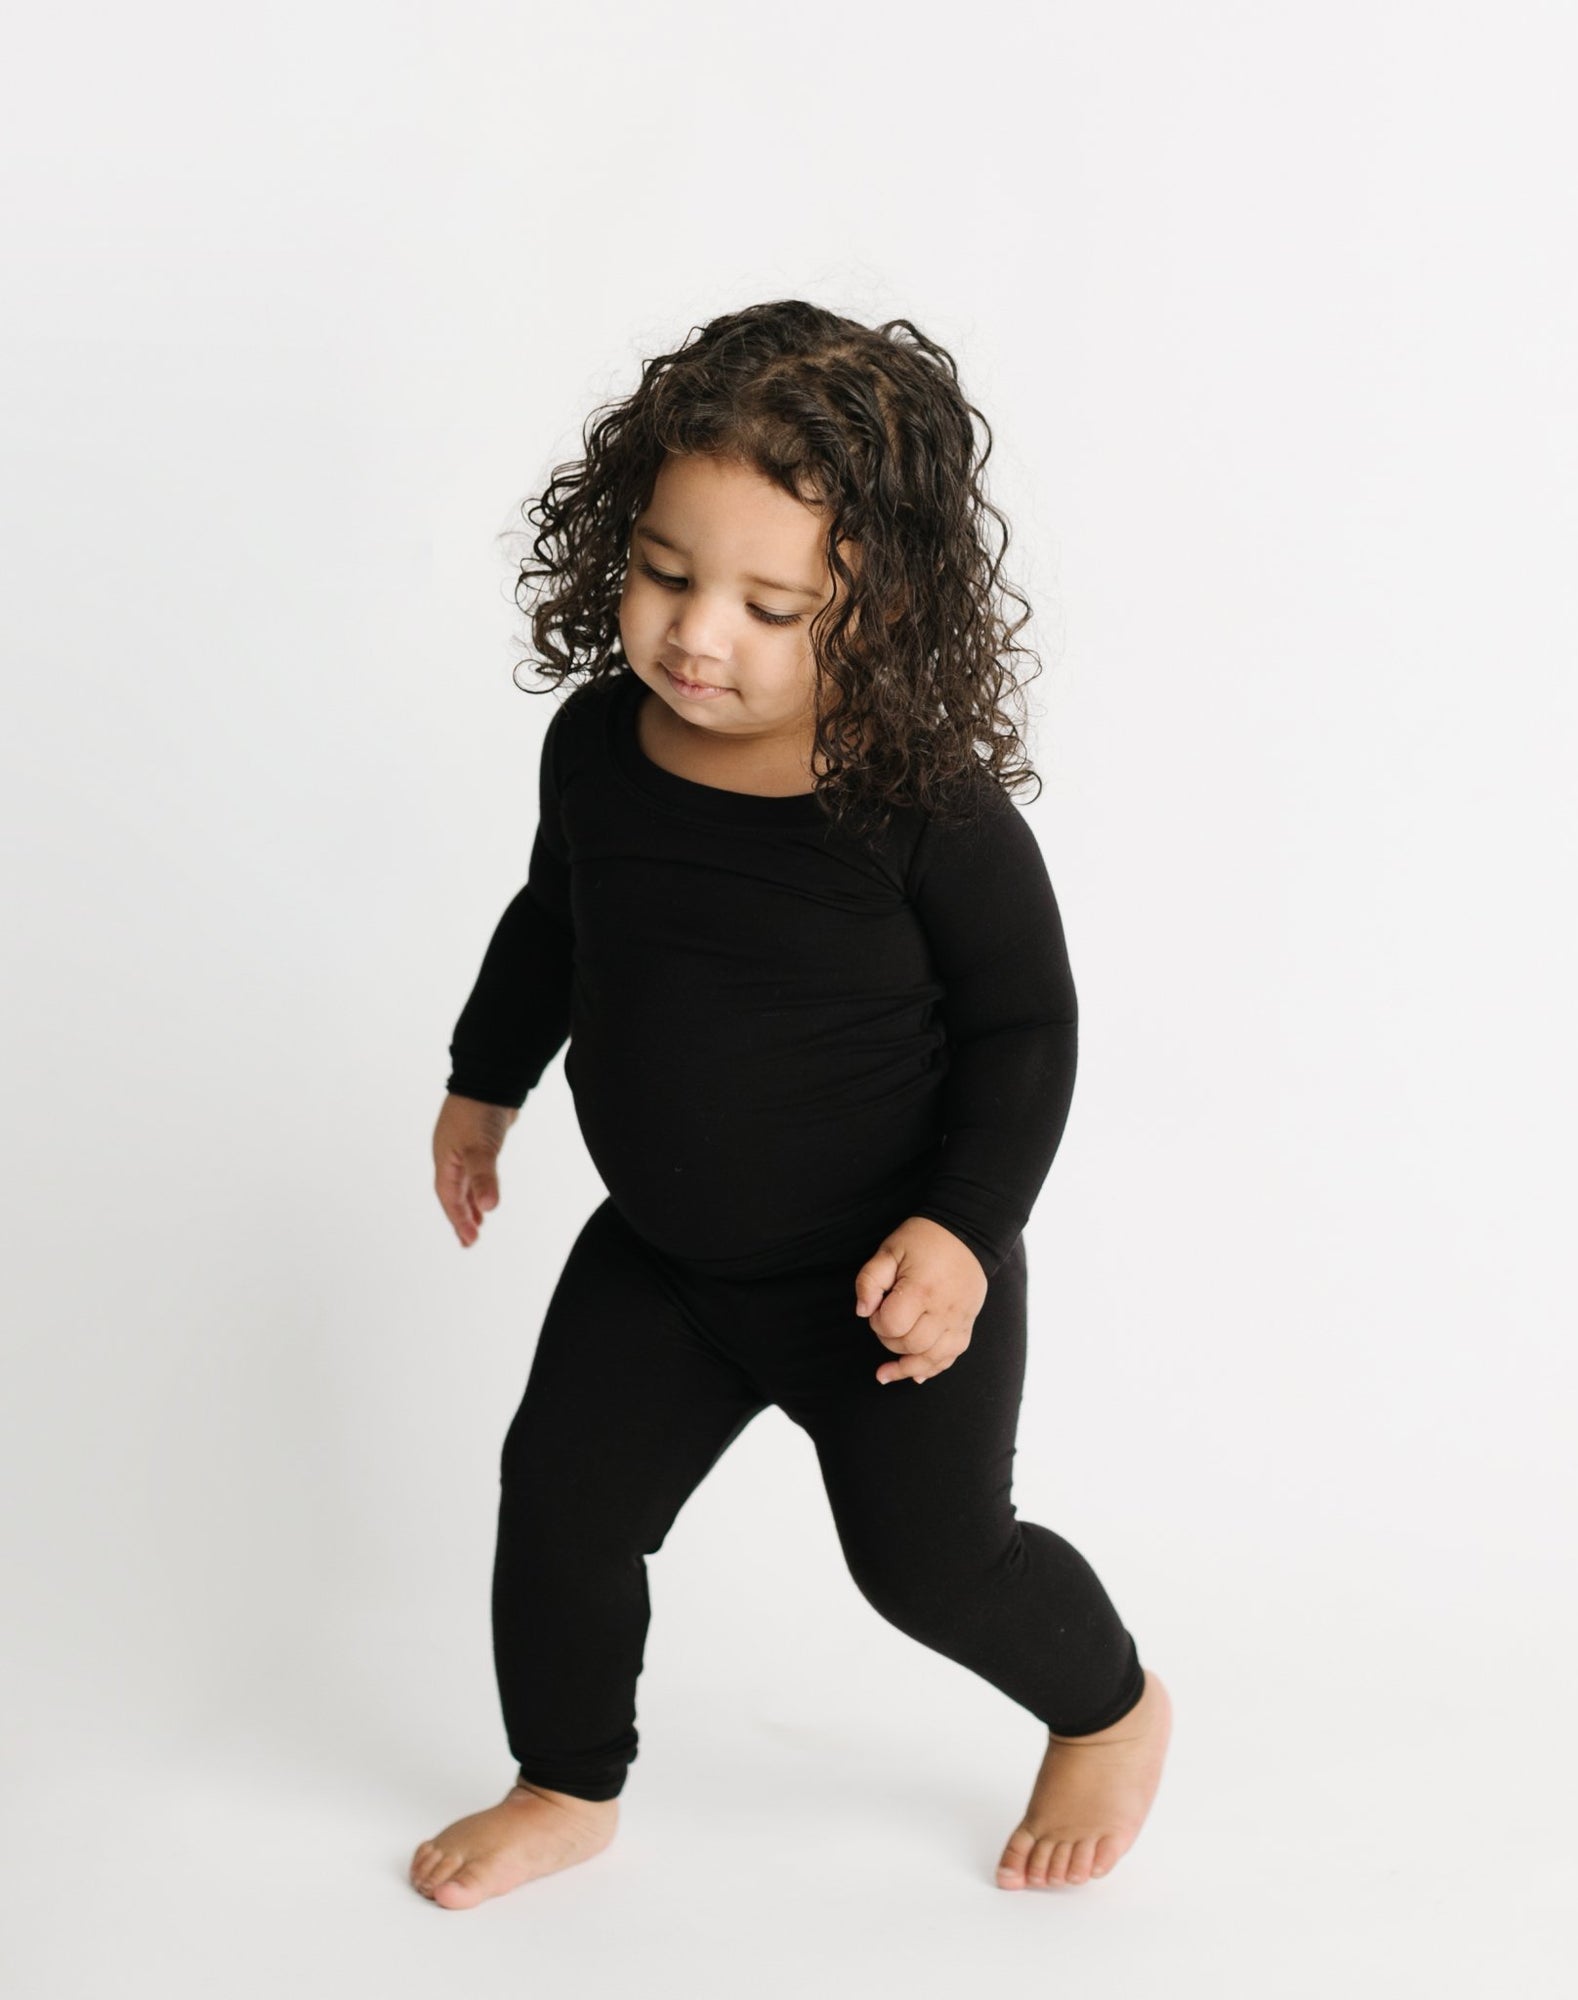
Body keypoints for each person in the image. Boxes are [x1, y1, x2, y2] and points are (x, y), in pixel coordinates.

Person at [409, 302, 1172, 1910]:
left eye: (771, 604)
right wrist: (485, 1084)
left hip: (883, 1283)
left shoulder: (923, 807)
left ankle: (1108, 1709)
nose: (700, 636)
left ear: (880, 611)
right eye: (669, 575)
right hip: (669, 1262)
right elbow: (555, 919)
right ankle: (564, 1778)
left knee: (930, 1566)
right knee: (558, 1504)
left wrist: (964, 1233)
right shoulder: (599, 751)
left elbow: (1028, 1027)